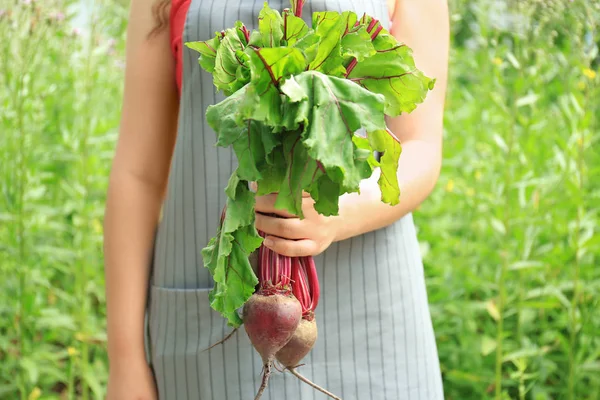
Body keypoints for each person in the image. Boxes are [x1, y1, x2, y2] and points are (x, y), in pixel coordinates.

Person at [103, 0, 449, 398]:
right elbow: (139, 176)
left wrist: (341, 215)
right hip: (212, 323)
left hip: (373, 311)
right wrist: (125, 361)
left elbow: (420, 146)